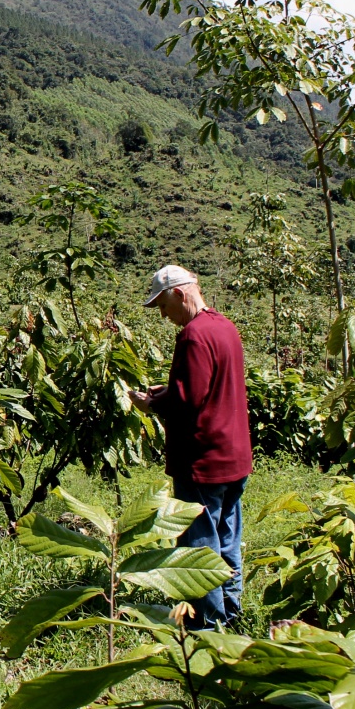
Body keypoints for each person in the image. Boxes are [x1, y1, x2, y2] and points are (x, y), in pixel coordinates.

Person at [130, 264, 252, 628]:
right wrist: (171, 391)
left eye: (164, 307)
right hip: (233, 455)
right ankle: (230, 610)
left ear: (180, 295)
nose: (165, 316)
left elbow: (192, 399)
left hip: (202, 459)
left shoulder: (193, 335)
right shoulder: (224, 327)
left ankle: (205, 621)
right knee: (227, 535)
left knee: (199, 544)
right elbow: (208, 387)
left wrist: (151, 405)